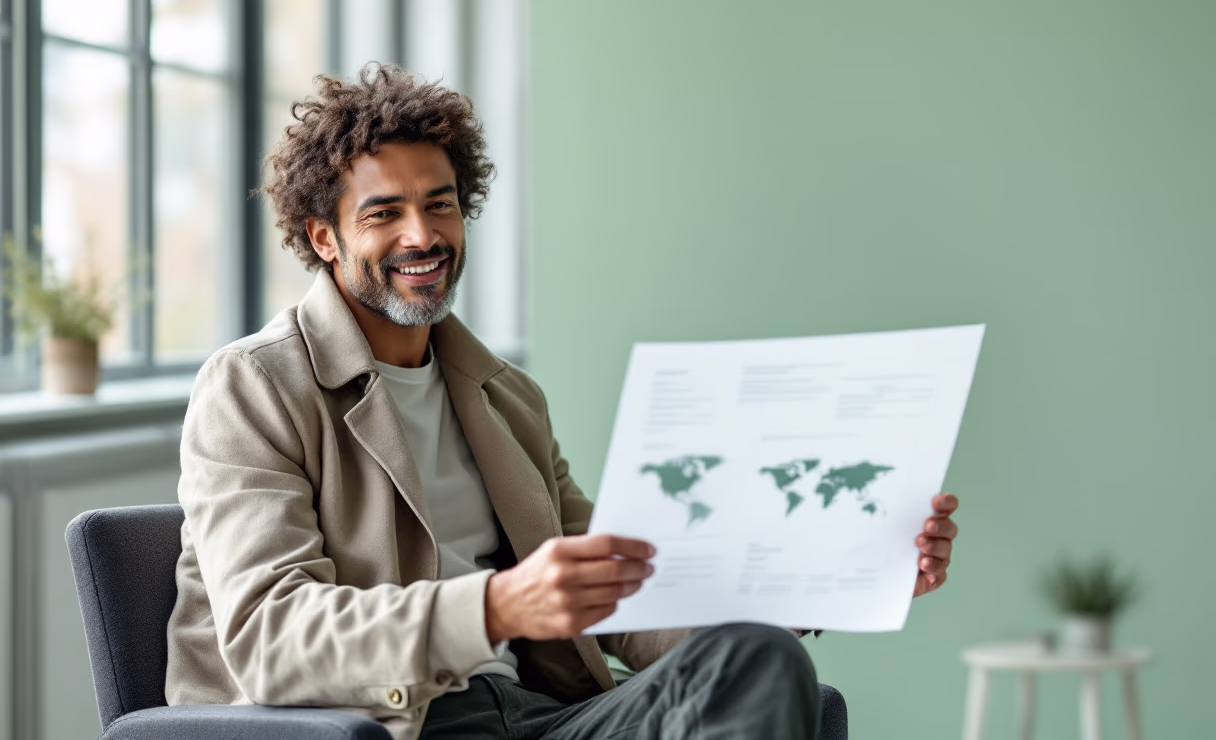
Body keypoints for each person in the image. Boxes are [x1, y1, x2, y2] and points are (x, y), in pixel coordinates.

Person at [165, 64, 960, 740]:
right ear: (325, 237)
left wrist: (836, 574)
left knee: (762, 661)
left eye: (439, 203)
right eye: (384, 213)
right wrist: (498, 605)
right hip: (387, 727)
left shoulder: (505, 396)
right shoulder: (254, 386)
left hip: (542, 714)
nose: (422, 235)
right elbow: (271, 640)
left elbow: (624, 591)